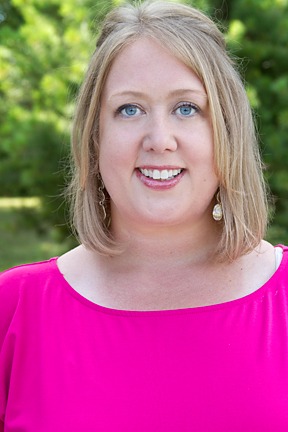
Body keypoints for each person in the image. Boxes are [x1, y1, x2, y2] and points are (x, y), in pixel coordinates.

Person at [0, 1, 287, 430]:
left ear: (226, 130)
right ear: (95, 137)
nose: (160, 139)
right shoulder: (14, 308)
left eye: (187, 108)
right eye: (129, 109)